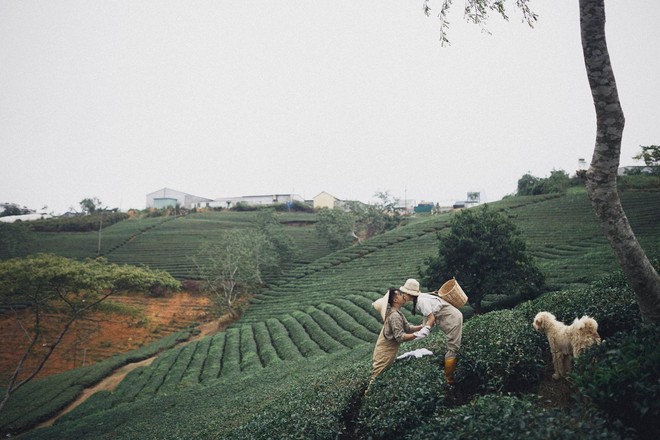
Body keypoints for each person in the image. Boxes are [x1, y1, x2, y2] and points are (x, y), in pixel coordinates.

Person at [399, 278, 463, 384]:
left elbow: (431, 318)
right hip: (450, 318)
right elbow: (428, 319)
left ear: (408, 293)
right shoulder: (421, 298)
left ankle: (449, 379)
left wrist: (425, 331)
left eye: (404, 293)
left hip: (453, 319)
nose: (402, 295)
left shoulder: (421, 301)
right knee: (453, 344)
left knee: (453, 347)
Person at [370, 287, 430, 380]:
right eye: (400, 294)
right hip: (384, 353)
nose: (403, 295)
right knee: (377, 377)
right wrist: (419, 334)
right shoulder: (394, 316)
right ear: (395, 300)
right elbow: (400, 337)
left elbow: (408, 328)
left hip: (386, 351)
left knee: (381, 378)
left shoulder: (397, 313)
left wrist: (423, 326)